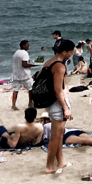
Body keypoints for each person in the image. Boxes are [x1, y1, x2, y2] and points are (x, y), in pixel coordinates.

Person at [35, 39, 76, 173]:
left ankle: (60, 161)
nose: (71, 54)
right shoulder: (59, 66)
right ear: (64, 52)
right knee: (56, 136)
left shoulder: (49, 62)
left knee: (59, 133)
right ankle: (49, 165)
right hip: (56, 103)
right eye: (70, 52)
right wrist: (65, 108)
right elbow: (58, 90)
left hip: (51, 102)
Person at [9, 40, 33, 111]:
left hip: (16, 74)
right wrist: (32, 65)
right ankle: (30, 103)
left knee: (15, 90)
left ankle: (13, 105)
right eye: (27, 44)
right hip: (24, 75)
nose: (28, 46)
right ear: (23, 45)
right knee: (31, 89)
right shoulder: (25, 53)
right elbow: (24, 64)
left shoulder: (17, 52)